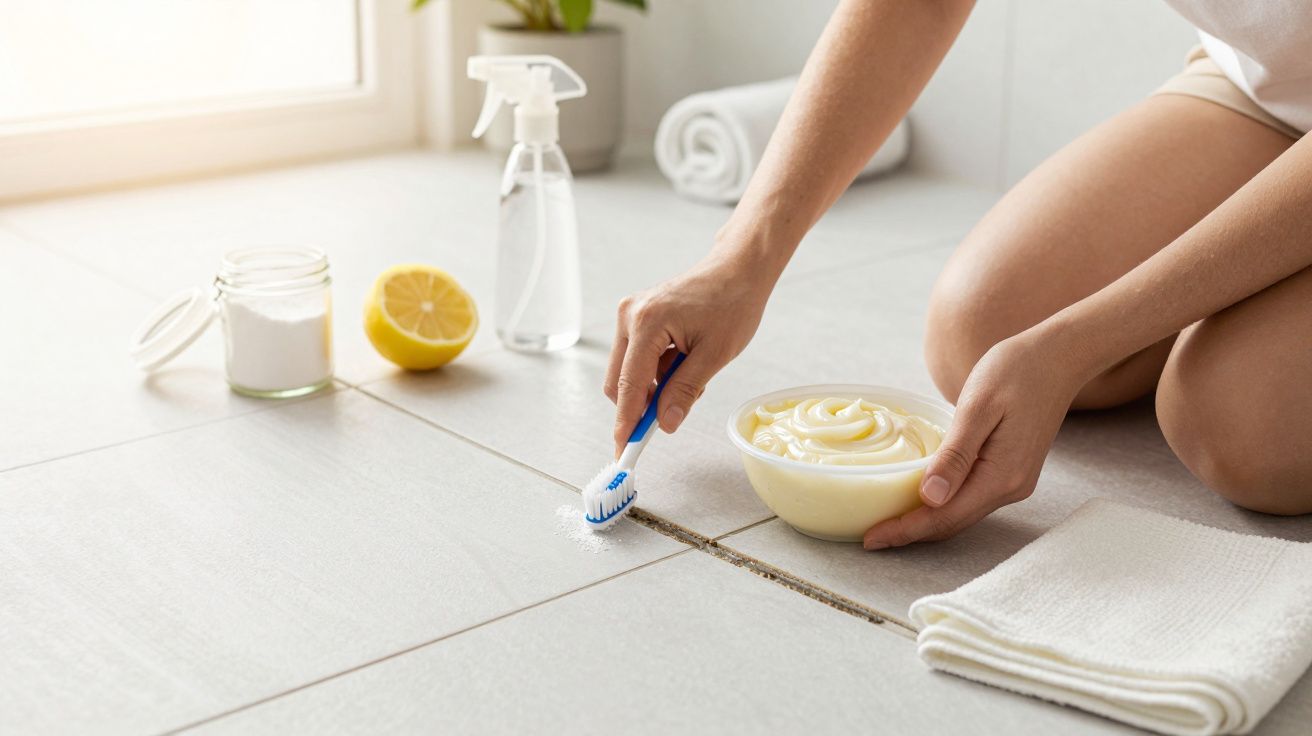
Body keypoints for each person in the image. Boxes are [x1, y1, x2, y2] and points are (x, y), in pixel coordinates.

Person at [602, 0, 1312, 550]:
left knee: (1241, 425)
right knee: (980, 323)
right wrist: (741, 258)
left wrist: (1081, 341)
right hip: (1274, 90)